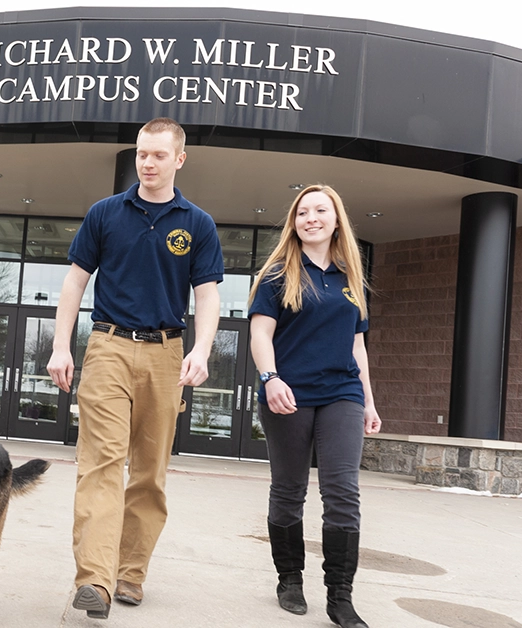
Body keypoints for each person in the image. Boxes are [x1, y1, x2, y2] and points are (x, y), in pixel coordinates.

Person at [46, 118, 224, 619]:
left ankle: (129, 574)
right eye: (142, 154)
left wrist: (203, 350)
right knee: (101, 465)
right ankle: (95, 581)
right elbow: (74, 283)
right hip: (108, 347)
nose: (147, 163)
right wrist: (62, 347)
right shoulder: (106, 214)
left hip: (167, 355)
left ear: (179, 159)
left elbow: (208, 297)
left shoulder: (197, 223)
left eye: (158, 155)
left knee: (149, 473)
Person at [247, 184, 381, 628]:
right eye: (303, 212)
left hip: (342, 393)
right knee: (289, 490)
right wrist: (271, 379)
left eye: (320, 210)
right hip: (289, 394)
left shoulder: (351, 279)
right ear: (295, 222)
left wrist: (368, 399)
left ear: (336, 219)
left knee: (343, 492)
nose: (311, 218)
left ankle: (340, 597)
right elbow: (261, 334)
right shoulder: (276, 276)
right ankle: (289, 579)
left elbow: (357, 345)